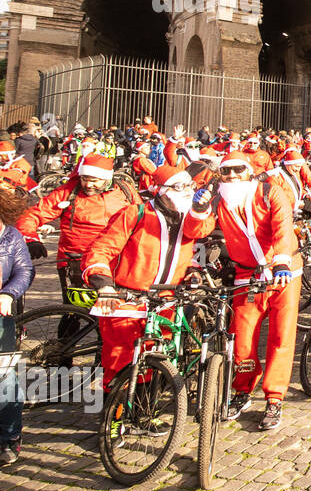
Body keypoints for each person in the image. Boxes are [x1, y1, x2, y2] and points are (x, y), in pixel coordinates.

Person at [81, 164, 215, 388]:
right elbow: (101, 249)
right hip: (129, 297)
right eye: (178, 187)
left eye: (189, 186)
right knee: (120, 359)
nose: (186, 191)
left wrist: (199, 210)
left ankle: (145, 408)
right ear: (160, 190)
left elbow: (197, 232)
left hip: (167, 299)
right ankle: (116, 415)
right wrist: (103, 284)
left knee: (157, 355)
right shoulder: (135, 213)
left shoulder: (187, 218)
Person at [194, 153, 301, 430]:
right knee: (242, 339)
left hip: (283, 271)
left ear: (249, 171)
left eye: (237, 170)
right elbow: (201, 230)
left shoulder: (270, 192)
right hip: (247, 275)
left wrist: (281, 262)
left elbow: (282, 228)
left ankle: (275, 397)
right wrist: (196, 211)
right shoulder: (218, 200)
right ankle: (242, 390)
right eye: (226, 172)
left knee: (281, 337)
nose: (231, 176)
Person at [16, 153, 139, 304]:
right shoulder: (69, 191)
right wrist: (30, 238)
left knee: (112, 310)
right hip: (76, 261)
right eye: (84, 179)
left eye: (94, 181)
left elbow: (141, 218)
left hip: (116, 261)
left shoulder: (125, 191)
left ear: (107, 178)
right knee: (76, 310)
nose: (88, 185)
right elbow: (33, 215)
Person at [0, 182, 34, 466]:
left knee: (4, 379)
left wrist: (8, 294)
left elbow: (24, 270)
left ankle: (9, 437)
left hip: (0, 316)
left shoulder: (11, 238)